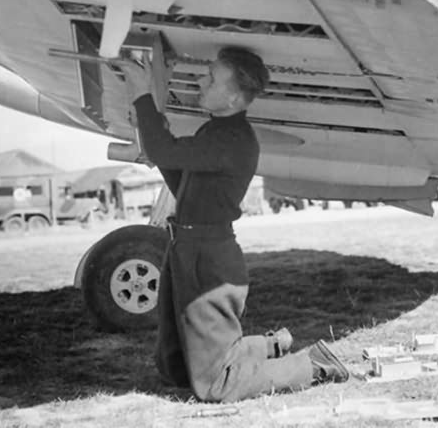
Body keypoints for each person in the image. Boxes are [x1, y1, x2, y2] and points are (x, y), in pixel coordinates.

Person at [119, 46, 350, 403]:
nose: (201, 82)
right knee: (173, 367)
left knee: (218, 385)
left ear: (232, 98)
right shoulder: (216, 131)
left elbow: (166, 151)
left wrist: (141, 95)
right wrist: (155, 137)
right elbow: (181, 180)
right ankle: (269, 346)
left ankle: (313, 364)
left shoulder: (231, 139)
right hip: (189, 248)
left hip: (207, 258)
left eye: (211, 78)